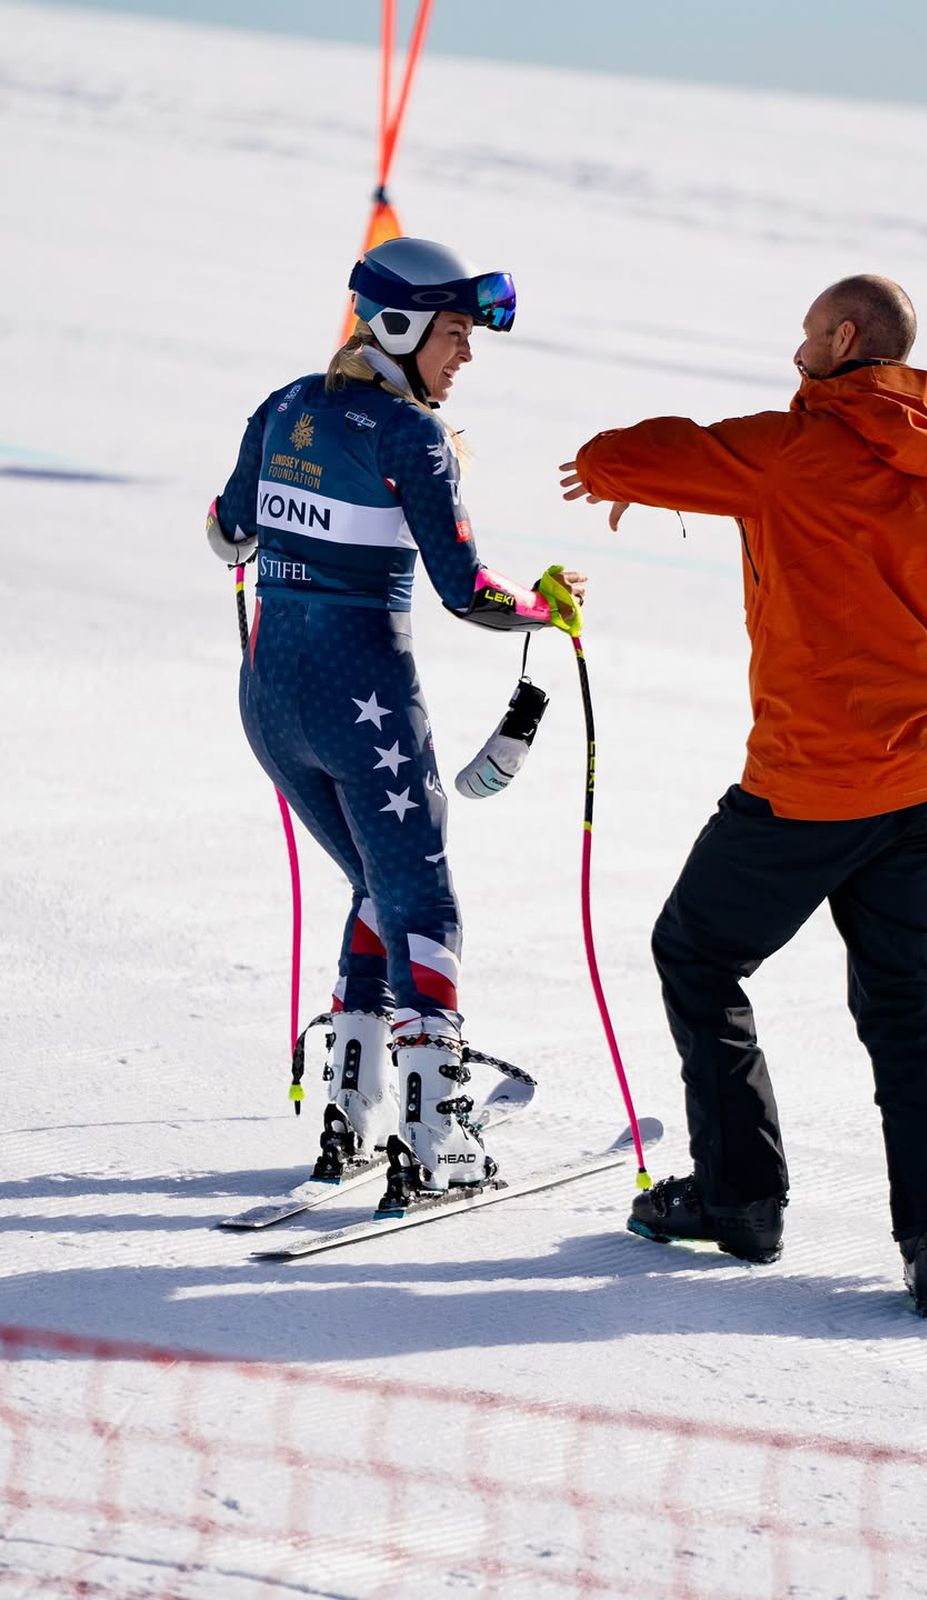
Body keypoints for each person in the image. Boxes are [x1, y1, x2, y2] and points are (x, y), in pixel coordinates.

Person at [560, 274, 927, 1317]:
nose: (796, 346)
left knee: (697, 950)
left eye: (809, 331)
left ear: (845, 337)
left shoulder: (783, 452)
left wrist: (638, 476)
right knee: (902, 1003)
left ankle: (741, 1200)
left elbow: (609, 457)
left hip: (810, 787)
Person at [208, 236, 585, 1206]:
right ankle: (435, 1137)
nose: (465, 356)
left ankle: (352, 1116)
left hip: (270, 700)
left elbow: (225, 533)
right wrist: (543, 607)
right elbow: (468, 593)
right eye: (456, 334)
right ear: (404, 326)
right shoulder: (412, 437)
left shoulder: (286, 403)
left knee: (378, 885)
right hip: (365, 699)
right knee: (426, 905)